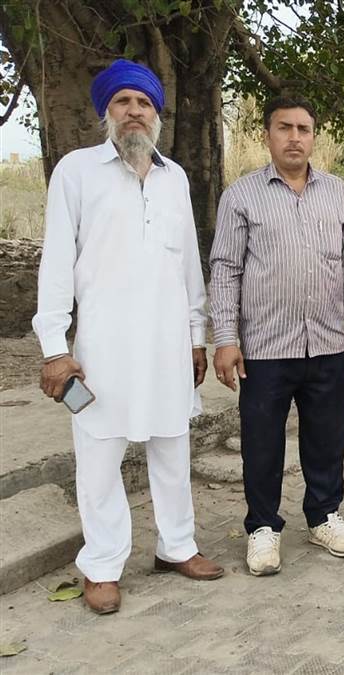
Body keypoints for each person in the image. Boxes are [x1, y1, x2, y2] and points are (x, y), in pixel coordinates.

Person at [33, 59, 223, 615]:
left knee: (172, 446)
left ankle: (176, 547)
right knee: (98, 459)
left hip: (166, 345)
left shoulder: (175, 177)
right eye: (123, 102)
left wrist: (196, 337)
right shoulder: (77, 172)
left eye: (144, 103)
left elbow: (188, 265)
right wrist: (55, 349)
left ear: (157, 114)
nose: (134, 111)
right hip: (104, 349)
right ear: (106, 112)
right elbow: (56, 265)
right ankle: (102, 565)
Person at [209, 96, 344, 575]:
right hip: (265, 347)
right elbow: (225, 270)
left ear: (314, 137)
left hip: (326, 342)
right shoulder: (241, 196)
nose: (295, 137)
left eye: (304, 128)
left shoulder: (337, 192)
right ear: (267, 135)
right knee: (262, 442)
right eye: (284, 128)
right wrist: (226, 338)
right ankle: (263, 527)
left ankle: (323, 515)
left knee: (327, 438)